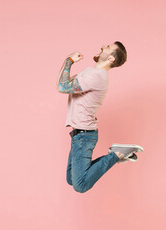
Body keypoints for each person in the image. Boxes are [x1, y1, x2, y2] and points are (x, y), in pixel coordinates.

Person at [57, 41, 144, 193]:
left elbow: (62, 87)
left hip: (84, 135)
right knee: (71, 179)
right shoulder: (92, 72)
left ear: (111, 58)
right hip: (80, 135)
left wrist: (69, 61)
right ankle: (117, 156)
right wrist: (69, 62)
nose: (104, 46)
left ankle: (116, 155)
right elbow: (65, 83)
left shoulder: (97, 76)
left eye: (108, 48)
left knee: (81, 185)